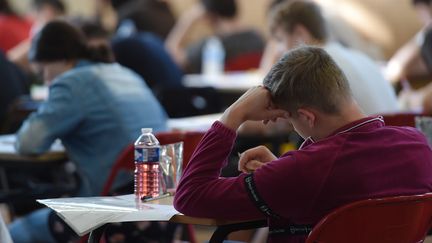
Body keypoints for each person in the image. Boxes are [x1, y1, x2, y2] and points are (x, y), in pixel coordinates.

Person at [174, 46, 432, 243]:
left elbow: (190, 196)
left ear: (307, 116)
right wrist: (282, 171)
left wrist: (233, 115)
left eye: (288, 119)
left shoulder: (305, 171)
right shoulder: (418, 145)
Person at [9, 20, 168, 243]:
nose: (45, 80)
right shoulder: (123, 72)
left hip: (113, 214)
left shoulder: (72, 83)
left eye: (43, 71)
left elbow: (28, 142)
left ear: (62, 58)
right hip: (164, 208)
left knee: (15, 232)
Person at [267, 0, 399, 116]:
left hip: (364, 141)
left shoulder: (313, 68)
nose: (279, 50)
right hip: (392, 137)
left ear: (300, 33)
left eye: (280, 40)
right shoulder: (359, 56)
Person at [166, 0, 265, 73]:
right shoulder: (257, 36)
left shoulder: (211, 45)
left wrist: (187, 20)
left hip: (220, 99)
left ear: (207, 14)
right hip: (252, 97)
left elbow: (170, 58)